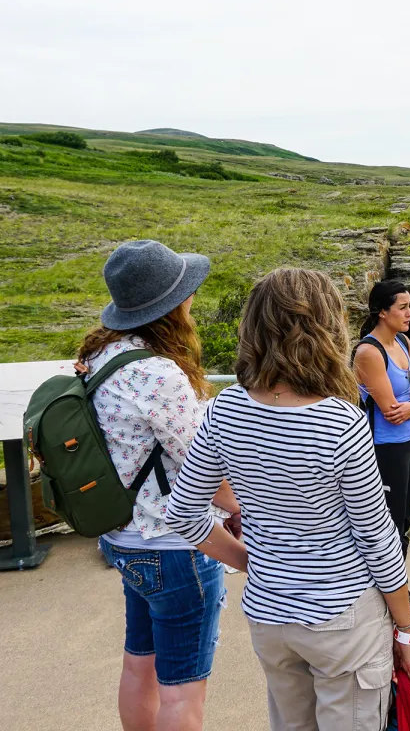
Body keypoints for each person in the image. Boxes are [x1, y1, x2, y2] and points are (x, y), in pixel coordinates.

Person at [166, 268, 410, 731]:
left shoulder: (226, 408)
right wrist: (403, 626)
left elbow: (182, 512)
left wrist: (253, 561)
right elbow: (377, 539)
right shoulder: (340, 422)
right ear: (326, 326)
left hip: (269, 616)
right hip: (342, 619)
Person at [81, 239, 240, 731]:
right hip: (175, 546)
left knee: (139, 662)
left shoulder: (101, 358)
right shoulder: (158, 374)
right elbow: (201, 467)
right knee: (182, 688)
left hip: (124, 539)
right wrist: (242, 507)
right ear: (171, 306)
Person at [353, 279, 410, 619]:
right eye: (403, 307)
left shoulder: (402, 342)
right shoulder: (369, 353)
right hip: (384, 449)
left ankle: (397, 590)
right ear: (382, 312)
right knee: (388, 526)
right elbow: (391, 412)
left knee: (405, 518)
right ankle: (390, 597)